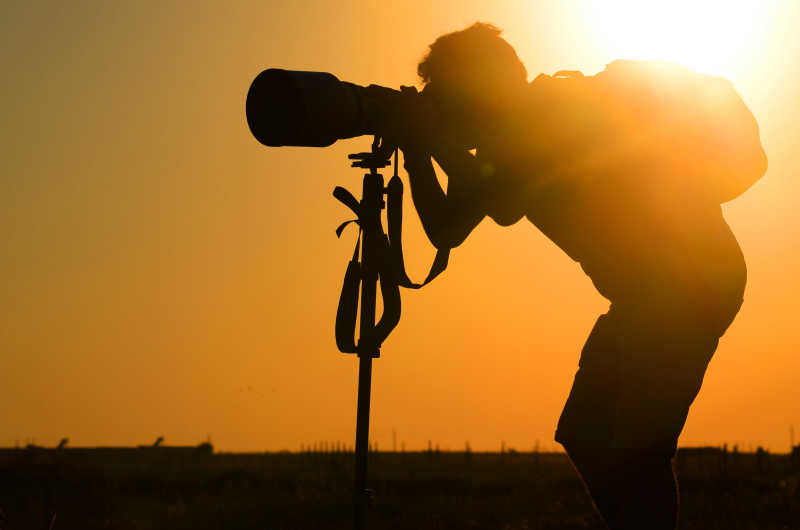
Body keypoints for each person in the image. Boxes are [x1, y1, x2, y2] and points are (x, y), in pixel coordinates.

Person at [383, 22, 767, 530]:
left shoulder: (550, 114)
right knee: (587, 434)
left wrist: (431, 141)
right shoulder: (506, 142)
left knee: (638, 450)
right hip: (645, 295)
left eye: (452, 98)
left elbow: (497, 202)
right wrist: (416, 152)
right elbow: (448, 228)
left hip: (690, 283)